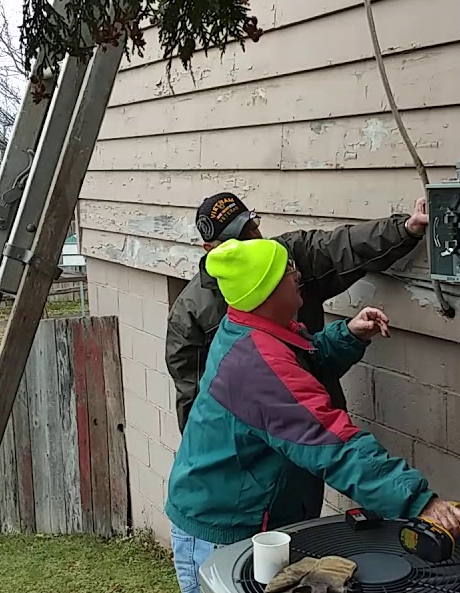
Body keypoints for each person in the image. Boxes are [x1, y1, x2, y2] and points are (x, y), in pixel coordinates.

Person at [164, 238, 460, 593]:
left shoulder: (256, 330)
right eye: (287, 269)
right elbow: (331, 442)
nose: (297, 273)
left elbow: (300, 364)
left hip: (243, 516)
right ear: (266, 293)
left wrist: (347, 335)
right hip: (222, 530)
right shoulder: (256, 363)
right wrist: (420, 502)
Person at [165, 192, 429, 523]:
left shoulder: (272, 271)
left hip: (287, 472)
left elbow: (339, 248)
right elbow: (324, 439)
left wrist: (404, 229)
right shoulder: (209, 325)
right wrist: (421, 504)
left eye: (251, 227)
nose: (297, 278)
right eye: (292, 280)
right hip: (241, 500)